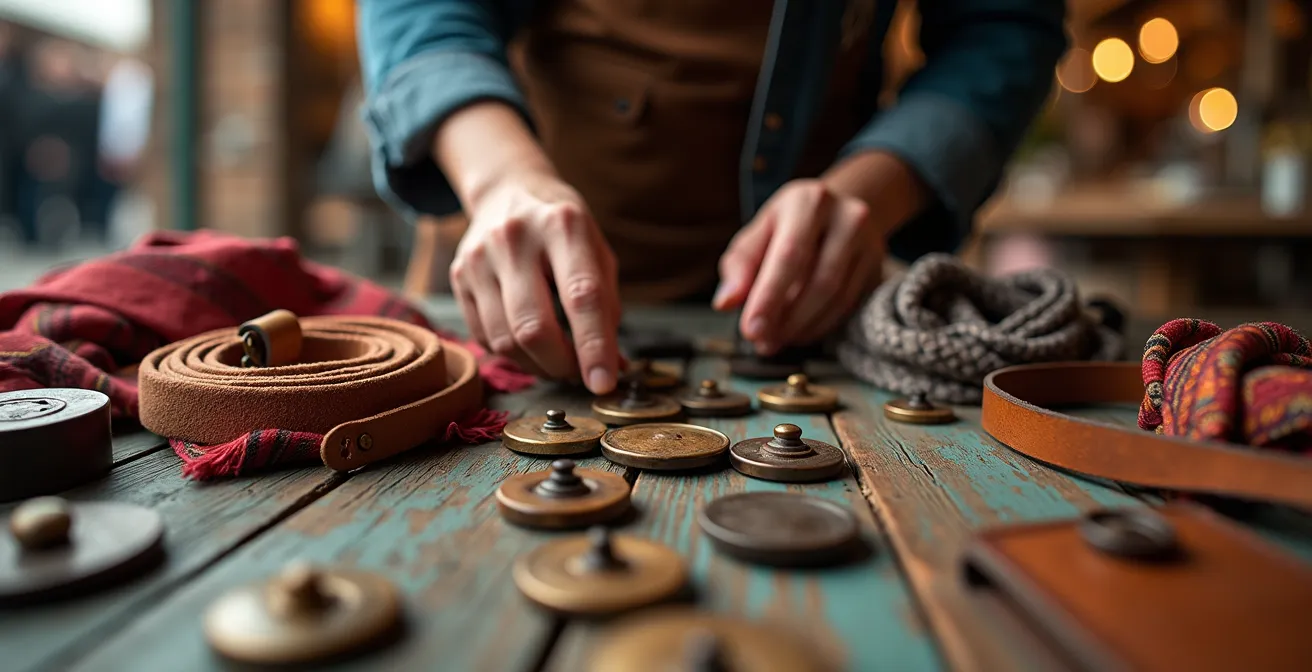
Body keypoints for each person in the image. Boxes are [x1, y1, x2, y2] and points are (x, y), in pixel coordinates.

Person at [356, 0, 1066, 396]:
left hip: (821, 309)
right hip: (516, 288)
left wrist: (873, 192)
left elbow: (1003, 24)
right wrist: (503, 178)